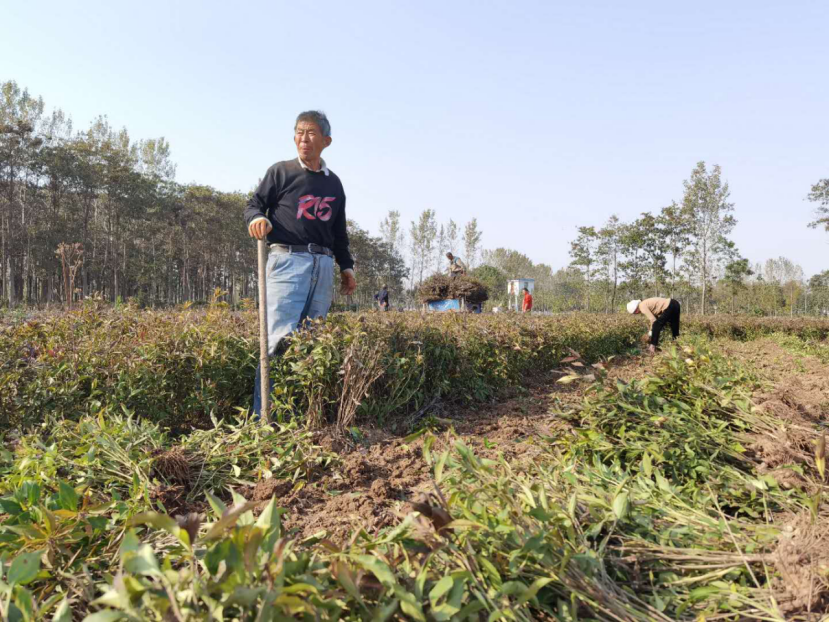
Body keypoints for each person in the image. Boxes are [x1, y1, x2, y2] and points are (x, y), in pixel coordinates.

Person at [245, 110, 356, 417]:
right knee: (278, 340)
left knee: (311, 343)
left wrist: (346, 266)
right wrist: (257, 218)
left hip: (322, 265)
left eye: (310, 133)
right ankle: (262, 419)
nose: (303, 139)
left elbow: (338, 231)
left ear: (326, 141)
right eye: (299, 132)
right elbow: (254, 204)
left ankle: (297, 416)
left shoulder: (334, 185)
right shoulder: (281, 172)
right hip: (287, 261)